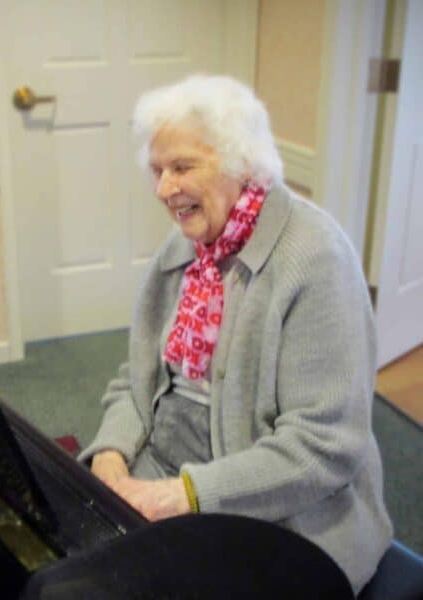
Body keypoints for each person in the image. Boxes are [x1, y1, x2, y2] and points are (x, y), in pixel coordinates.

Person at [78, 74, 392, 594]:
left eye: (182, 167)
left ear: (242, 163)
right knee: (50, 547)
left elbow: (324, 447)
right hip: (165, 472)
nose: (164, 189)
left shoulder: (313, 260)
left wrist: (178, 497)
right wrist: (110, 457)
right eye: (157, 170)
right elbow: (136, 381)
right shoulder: (181, 252)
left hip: (281, 514)